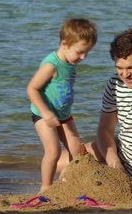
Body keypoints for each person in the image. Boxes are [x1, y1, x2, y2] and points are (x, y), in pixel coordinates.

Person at [57, 28, 132, 192]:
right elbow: (105, 130)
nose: (125, 74)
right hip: (123, 155)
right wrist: (113, 160)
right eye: (119, 68)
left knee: (69, 175)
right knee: (59, 163)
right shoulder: (114, 83)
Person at [26, 18, 97, 193]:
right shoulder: (52, 64)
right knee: (54, 151)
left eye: (87, 53)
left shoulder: (71, 62)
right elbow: (32, 89)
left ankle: (66, 182)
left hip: (64, 114)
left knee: (78, 151)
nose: (83, 57)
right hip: (44, 114)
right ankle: (46, 188)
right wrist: (46, 113)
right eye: (80, 52)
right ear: (64, 44)